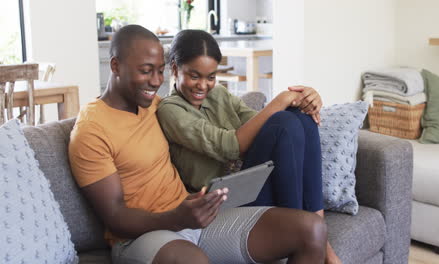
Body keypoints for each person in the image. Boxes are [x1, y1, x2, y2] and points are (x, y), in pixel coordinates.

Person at [68, 24, 327, 264]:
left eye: (159, 71)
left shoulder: (153, 105)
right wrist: (176, 218)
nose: (157, 81)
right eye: (146, 71)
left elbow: (255, 125)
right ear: (115, 66)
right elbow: (115, 218)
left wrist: (301, 99)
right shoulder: (91, 131)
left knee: (312, 230)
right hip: (142, 236)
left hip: (197, 219)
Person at [157, 29, 342, 264]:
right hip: (218, 204)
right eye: (194, 76)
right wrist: (282, 98)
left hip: (248, 184)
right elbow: (231, 146)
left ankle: (320, 239)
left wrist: (306, 98)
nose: (203, 85)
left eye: (211, 77)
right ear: (174, 69)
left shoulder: (218, 95)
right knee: (284, 120)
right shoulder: (170, 110)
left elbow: (262, 125)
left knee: (300, 117)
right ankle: (304, 234)